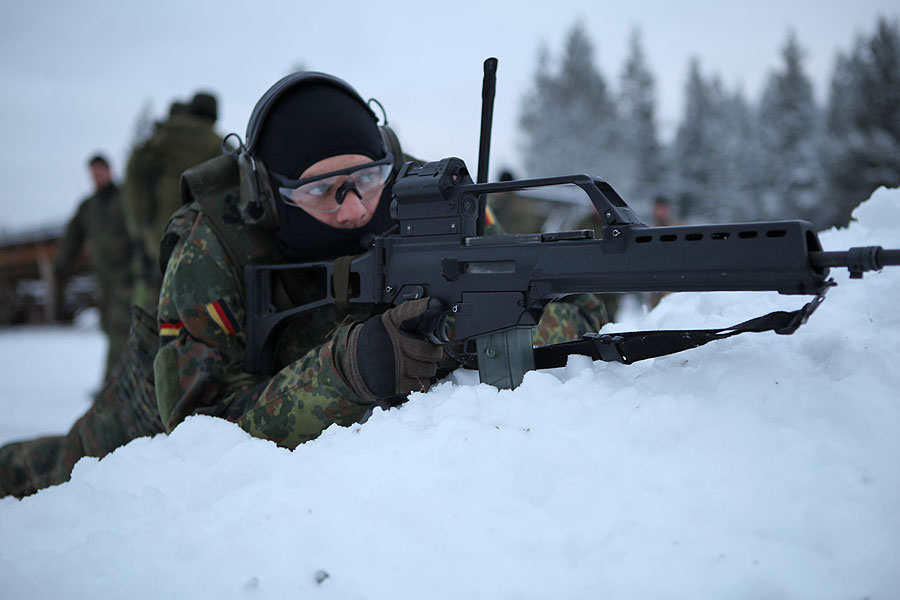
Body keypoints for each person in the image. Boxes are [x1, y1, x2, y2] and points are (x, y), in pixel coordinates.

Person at [0, 72, 605, 498]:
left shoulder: (426, 199)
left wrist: (466, 334)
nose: (352, 209)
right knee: (57, 474)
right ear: (270, 194)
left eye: (366, 180)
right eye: (320, 191)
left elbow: (570, 299)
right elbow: (199, 430)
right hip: (156, 405)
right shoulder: (213, 242)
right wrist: (352, 368)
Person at [122, 91, 224, 314]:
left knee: (158, 288)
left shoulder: (163, 137)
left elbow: (135, 171)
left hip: (159, 225)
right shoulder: (215, 141)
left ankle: (153, 336)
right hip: (201, 227)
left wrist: (140, 220)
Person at [52, 154, 133, 380]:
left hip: (127, 278)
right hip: (104, 280)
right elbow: (72, 237)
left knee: (120, 329)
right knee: (109, 328)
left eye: (100, 172)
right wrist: (62, 265)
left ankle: (112, 383)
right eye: (93, 174)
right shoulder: (89, 207)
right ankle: (122, 380)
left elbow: (139, 234)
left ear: (109, 171)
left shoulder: (124, 199)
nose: (97, 178)